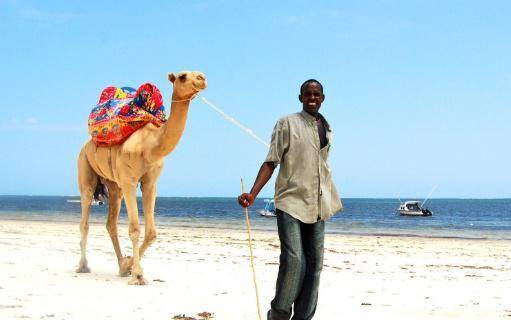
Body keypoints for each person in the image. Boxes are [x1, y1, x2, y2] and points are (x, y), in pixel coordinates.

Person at [238, 79, 343, 320]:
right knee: (294, 261)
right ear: (301, 98)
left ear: (323, 98)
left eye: (316, 94)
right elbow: (271, 161)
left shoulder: (326, 127)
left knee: (314, 266)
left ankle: (303, 317)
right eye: (308, 94)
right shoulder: (286, 123)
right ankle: (279, 314)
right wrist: (253, 194)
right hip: (290, 201)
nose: (312, 98)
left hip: (319, 203)